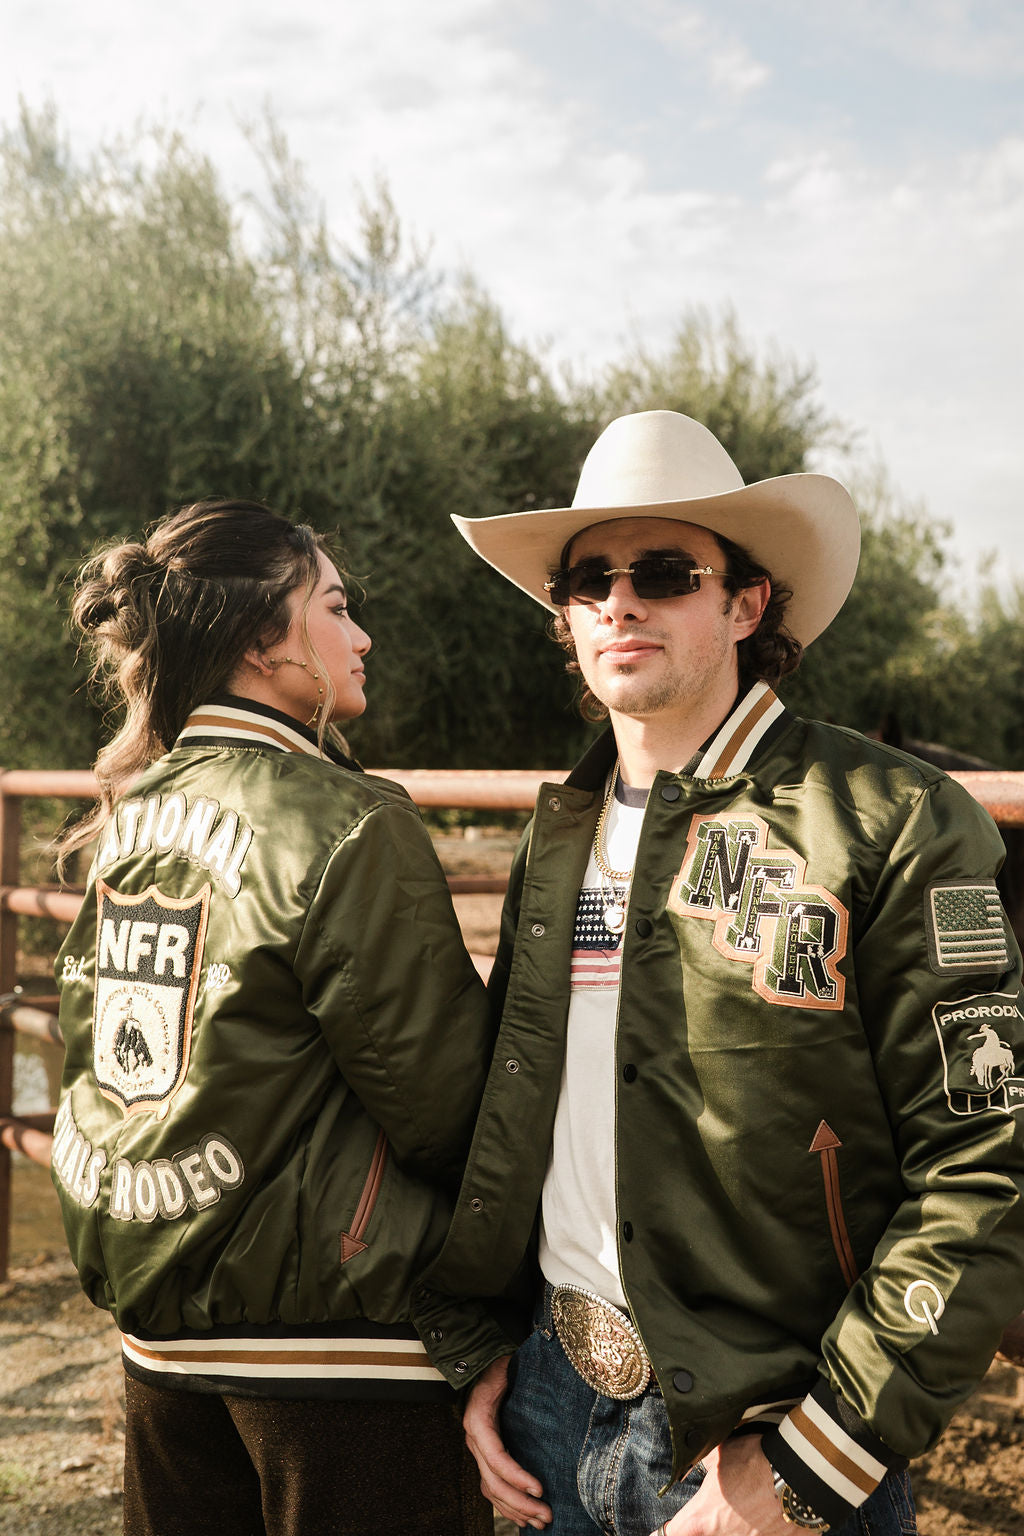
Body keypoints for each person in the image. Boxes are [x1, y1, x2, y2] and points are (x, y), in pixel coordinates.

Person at [411, 412, 1024, 1535]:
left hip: (769, 1434)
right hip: (551, 1403)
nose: (619, 602)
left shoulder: (893, 821)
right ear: (565, 617)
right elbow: (523, 1118)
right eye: (588, 579)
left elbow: (985, 1163)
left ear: (746, 605)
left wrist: (815, 1460)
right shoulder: (560, 834)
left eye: (663, 573)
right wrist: (489, 1341)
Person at [51, 499, 494, 1536]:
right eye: (334, 608)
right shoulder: (348, 821)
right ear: (262, 639)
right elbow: (451, 1110)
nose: (361, 635)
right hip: (339, 1355)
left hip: (160, 1342)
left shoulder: (131, 814)